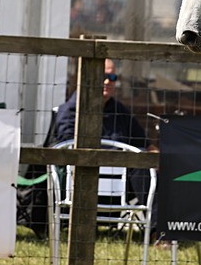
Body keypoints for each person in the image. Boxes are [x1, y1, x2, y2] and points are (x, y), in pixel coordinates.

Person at [53, 58, 151, 204]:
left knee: (143, 160)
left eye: (112, 77)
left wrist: (160, 160)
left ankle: (156, 217)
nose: (107, 81)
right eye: (103, 76)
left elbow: (144, 143)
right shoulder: (69, 111)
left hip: (119, 185)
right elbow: (67, 148)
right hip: (80, 184)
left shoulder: (120, 111)